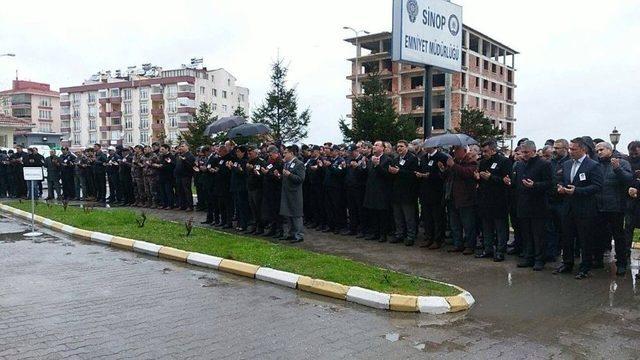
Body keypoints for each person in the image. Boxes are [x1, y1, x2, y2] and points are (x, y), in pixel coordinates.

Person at [554, 137, 604, 279]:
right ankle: (567, 263)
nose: (571, 152)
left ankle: (585, 267)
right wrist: (561, 187)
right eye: (570, 149)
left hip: (585, 208)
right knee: (567, 237)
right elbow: (563, 180)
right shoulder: (568, 164)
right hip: (568, 207)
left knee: (585, 239)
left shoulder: (593, 165)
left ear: (583, 149)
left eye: (574, 149)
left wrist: (577, 191)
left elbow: (597, 186)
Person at [507, 140, 552, 270]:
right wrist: (510, 182)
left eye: (527, 152)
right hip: (523, 204)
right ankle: (528, 257)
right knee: (526, 234)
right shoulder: (520, 165)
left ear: (533, 151)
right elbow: (516, 184)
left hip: (538, 205)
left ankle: (539, 259)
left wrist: (535, 185)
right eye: (522, 152)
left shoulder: (544, 164)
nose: (524, 154)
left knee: (538, 235)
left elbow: (550, 183)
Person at [594, 142, 632, 275]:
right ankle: (597, 260)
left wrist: (617, 169)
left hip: (616, 206)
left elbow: (628, 179)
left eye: (601, 150)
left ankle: (621, 263)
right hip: (599, 206)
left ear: (609, 150)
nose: (599, 152)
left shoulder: (621, 162)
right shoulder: (596, 164)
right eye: (597, 150)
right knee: (598, 234)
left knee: (618, 236)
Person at [476, 140, 512, 261]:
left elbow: (506, 181)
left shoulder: (504, 161)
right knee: (486, 227)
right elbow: (481, 180)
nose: (484, 153)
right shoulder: (483, 162)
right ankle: (488, 249)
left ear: (493, 150)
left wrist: (491, 177)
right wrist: (478, 178)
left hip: (499, 200)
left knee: (500, 227)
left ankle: (501, 250)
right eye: (482, 151)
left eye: (486, 151)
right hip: (485, 199)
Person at [444, 146, 478, 255]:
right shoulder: (454, 162)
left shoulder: (471, 162)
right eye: (454, 150)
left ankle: (470, 246)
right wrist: (443, 169)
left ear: (464, 151)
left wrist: (453, 166)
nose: (455, 152)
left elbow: (466, 173)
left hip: (465, 198)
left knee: (468, 225)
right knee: (455, 224)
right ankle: (457, 244)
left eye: (457, 150)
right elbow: (447, 177)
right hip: (452, 197)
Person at [416, 145, 448, 249]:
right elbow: (421, 169)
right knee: (427, 217)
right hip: (425, 192)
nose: (424, 147)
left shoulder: (441, 157)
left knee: (437, 218)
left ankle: (438, 239)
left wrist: (430, 175)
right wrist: (420, 174)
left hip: (437, 192)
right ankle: (429, 237)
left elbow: (444, 175)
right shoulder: (424, 157)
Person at [388, 140, 419, 246]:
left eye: (401, 146)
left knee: (408, 216)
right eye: (397, 147)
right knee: (398, 216)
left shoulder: (412, 159)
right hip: (396, 192)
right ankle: (399, 234)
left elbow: (413, 174)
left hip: (407, 193)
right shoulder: (395, 159)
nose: (399, 148)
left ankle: (411, 236)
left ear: (406, 147)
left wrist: (399, 172)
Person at [363, 141, 393, 242]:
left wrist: (377, 165)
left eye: (377, 145)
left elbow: (387, 176)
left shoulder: (387, 159)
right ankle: (375, 233)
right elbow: (369, 175)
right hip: (371, 190)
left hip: (382, 192)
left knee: (382, 214)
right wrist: (364, 166)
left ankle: (383, 234)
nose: (374, 147)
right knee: (373, 213)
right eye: (374, 145)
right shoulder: (371, 159)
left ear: (383, 148)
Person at [280, 145, 305, 242]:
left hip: (295, 193)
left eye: (286, 152)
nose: (284, 154)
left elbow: (300, 179)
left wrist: (289, 175)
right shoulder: (286, 164)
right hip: (287, 192)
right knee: (288, 213)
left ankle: (299, 235)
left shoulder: (299, 164)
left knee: (296, 214)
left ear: (291, 153)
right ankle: (291, 233)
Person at [262, 145, 284, 238]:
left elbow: (279, 176)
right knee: (270, 210)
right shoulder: (269, 161)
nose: (269, 156)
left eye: (271, 154)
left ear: (276, 153)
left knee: (277, 211)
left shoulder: (280, 163)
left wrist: (268, 173)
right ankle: (273, 228)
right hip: (269, 189)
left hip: (276, 190)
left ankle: (280, 230)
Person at [245, 145, 265, 234]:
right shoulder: (249, 161)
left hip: (258, 188)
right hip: (250, 187)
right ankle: (255, 225)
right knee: (252, 208)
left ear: (256, 153)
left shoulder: (260, 161)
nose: (249, 155)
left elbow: (261, 175)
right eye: (248, 153)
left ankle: (260, 227)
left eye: (250, 153)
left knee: (258, 208)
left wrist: (252, 169)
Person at [174, 142, 196, 211]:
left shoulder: (190, 155)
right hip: (178, 176)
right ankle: (182, 205)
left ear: (187, 147)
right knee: (179, 191)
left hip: (186, 176)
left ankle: (189, 205)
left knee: (187, 191)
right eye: (180, 146)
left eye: (183, 146)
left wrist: (185, 160)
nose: (181, 148)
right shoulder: (179, 155)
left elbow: (191, 166)